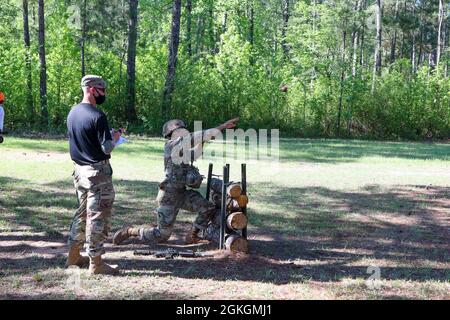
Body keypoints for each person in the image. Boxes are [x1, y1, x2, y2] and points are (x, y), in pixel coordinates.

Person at [113, 117, 239, 245]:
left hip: (182, 193)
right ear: (172, 134)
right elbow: (196, 137)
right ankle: (130, 231)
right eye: (180, 130)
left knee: (208, 208)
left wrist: (204, 141)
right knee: (161, 235)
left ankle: (192, 235)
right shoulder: (171, 145)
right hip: (169, 195)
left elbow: (196, 153)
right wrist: (222, 127)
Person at [66, 75, 122, 275]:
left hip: (79, 172)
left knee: (81, 215)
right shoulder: (98, 116)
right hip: (97, 174)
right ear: (91, 89)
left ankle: (73, 256)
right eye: (102, 90)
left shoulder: (72, 113)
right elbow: (107, 148)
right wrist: (115, 138)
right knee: (98, 218)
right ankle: (96, 263)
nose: (104, 94)